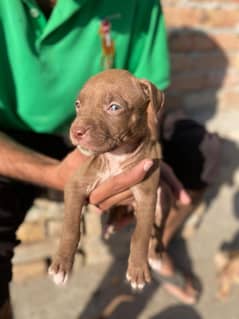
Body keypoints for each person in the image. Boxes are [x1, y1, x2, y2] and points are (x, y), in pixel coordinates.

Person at [0, 1, 220, 317]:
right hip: (13, 135)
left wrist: (151, 155)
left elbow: (148, 109)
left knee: (201, 151)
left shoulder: (139, 5)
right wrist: (51, 174)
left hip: (121, 138)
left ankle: (152, 247)